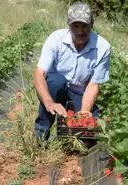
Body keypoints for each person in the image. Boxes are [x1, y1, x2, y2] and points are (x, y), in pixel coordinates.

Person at [33, 2, 111, 141]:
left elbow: (93, 85)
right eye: (75, 26)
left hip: (79, 91)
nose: (80, 31)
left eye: (84, 26)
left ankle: (71, 138)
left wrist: (85, 111)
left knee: (89, 133)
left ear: (92, 24)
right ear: (68, 25)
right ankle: (41, 134)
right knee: (56, 81)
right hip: (56, 88)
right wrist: (49, 102)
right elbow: (39, 74)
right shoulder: (56, 39)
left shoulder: (102, 47)